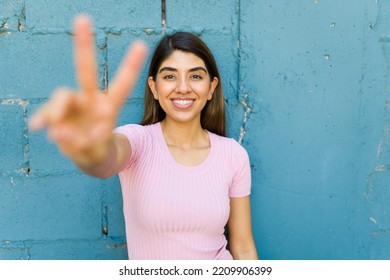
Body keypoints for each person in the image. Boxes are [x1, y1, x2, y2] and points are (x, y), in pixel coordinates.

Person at [29, 15, 258, 260]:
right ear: (154, 87)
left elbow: (243, 247)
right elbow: (104, 160)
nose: (182, 87)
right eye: (170, 76)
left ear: (211, 88)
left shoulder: (233, 155)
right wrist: (90, 145)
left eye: (195, 76)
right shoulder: (138, 142)